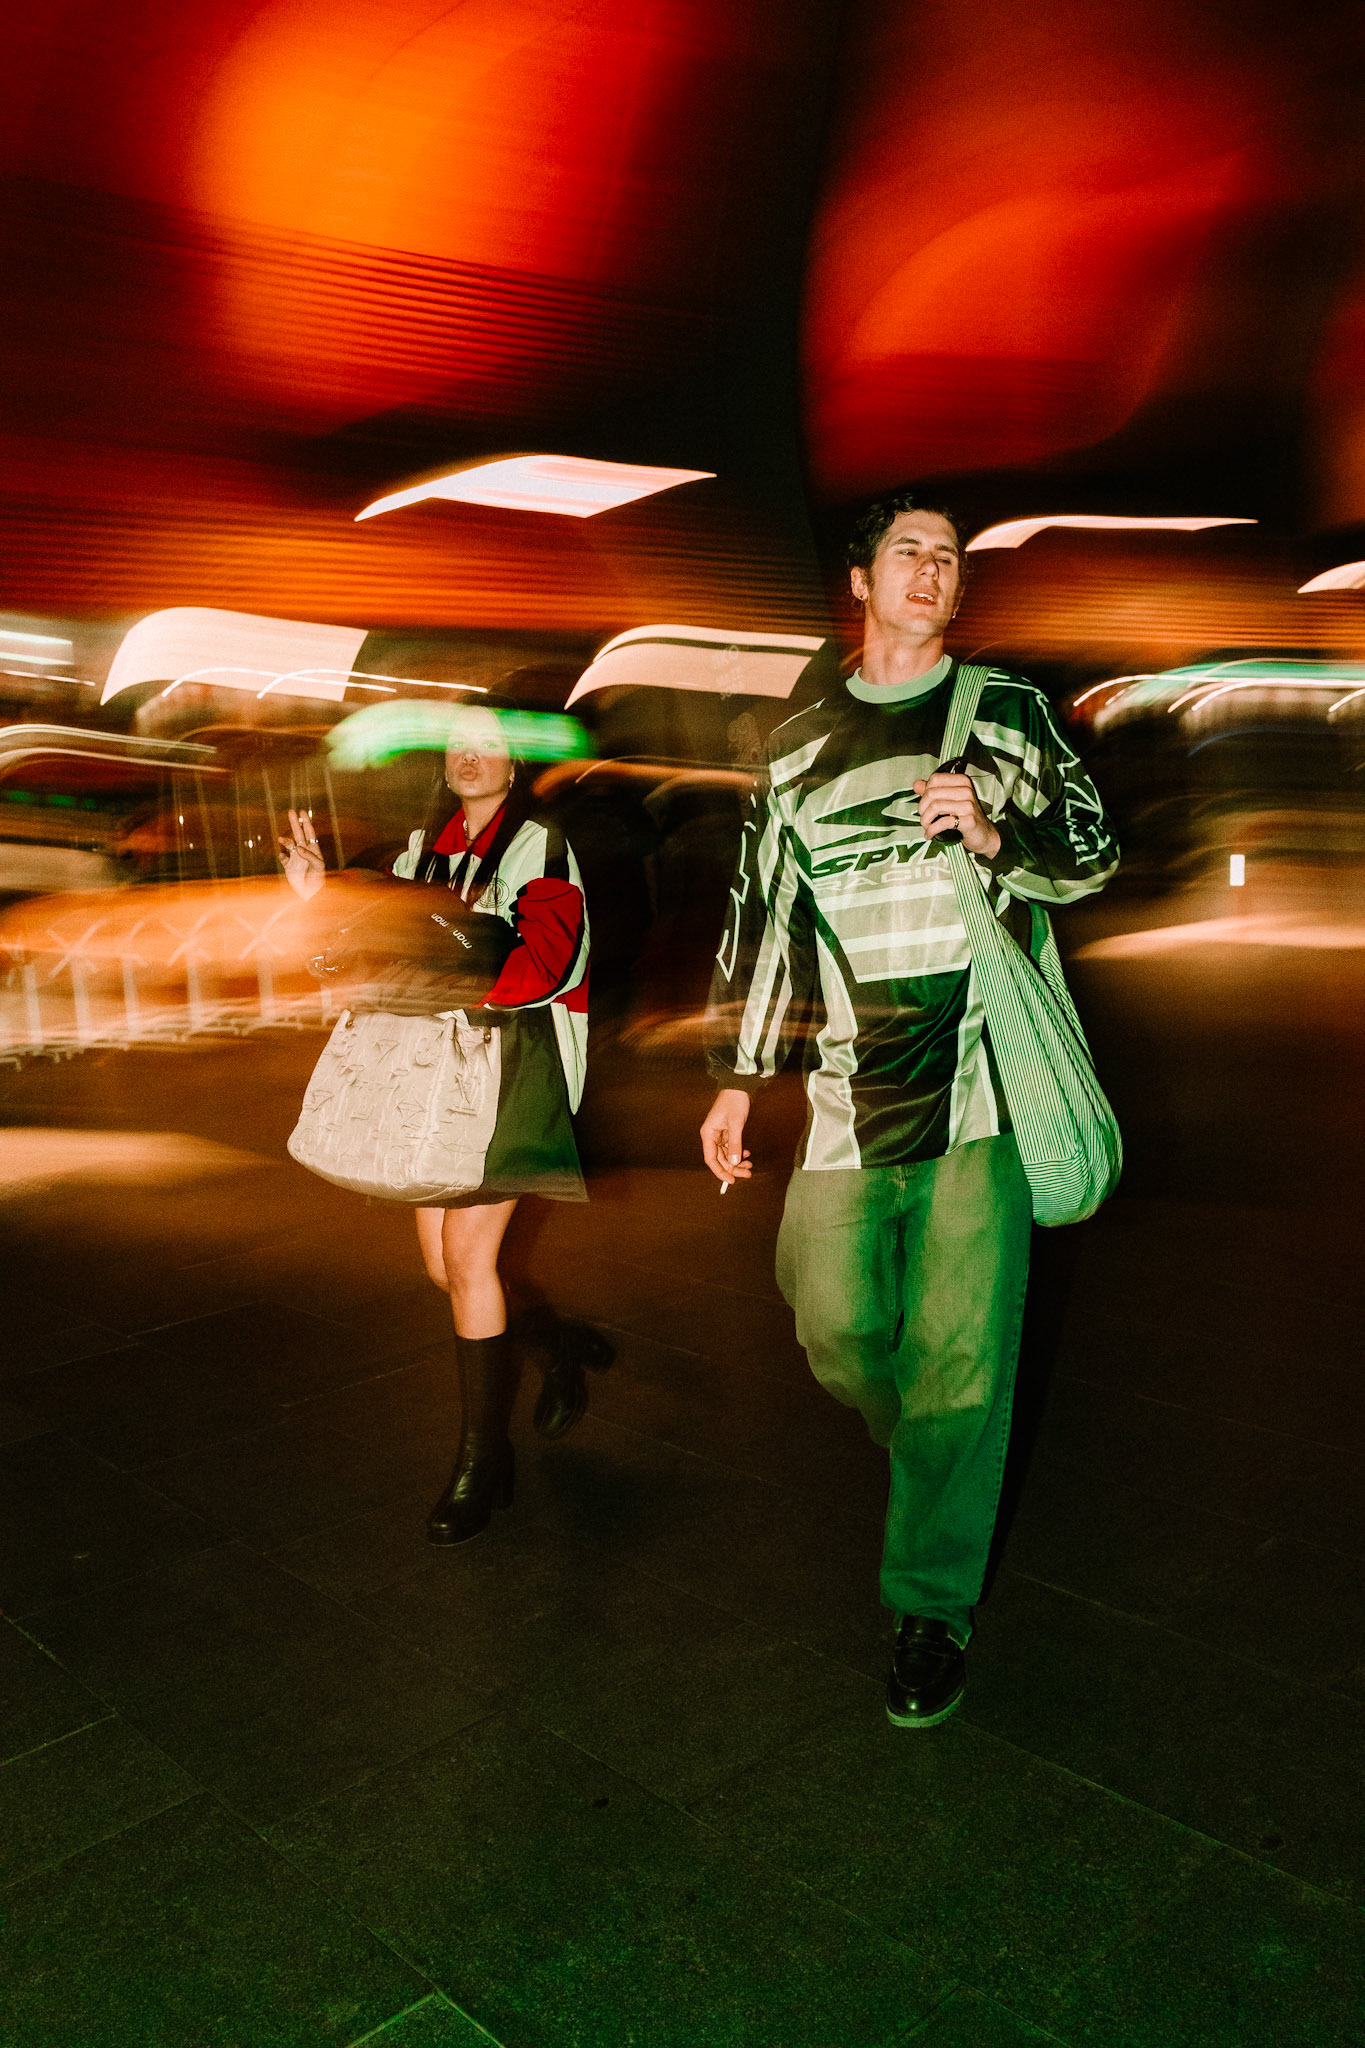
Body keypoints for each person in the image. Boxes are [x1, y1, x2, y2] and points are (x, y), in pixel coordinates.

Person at [700, 489, 1118, 1727]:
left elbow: (1093, 850)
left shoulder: (1007, 712)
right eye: (908, 551)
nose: (932, 570)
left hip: (980, 1088)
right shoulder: (792, 745)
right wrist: (736, 1078)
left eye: (948, 556)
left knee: (962, 1363)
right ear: (861, 580)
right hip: (845, 1090)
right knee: (833, 1324)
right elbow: (763, 918)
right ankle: (933, 1451)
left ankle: (929, 1606)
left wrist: (997, 834)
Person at [282, 703, 608, 1545]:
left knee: (467, 1261)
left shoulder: (538, 846)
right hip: (434, 1077)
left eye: (488, 745)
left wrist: (437, 967)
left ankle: (481, 1464)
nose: (470, 756)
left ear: (514, 762)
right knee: (444, 1268)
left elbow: (545, 966)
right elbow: (362, 954)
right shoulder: (417, 853)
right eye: (458, 745)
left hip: (514, 1068)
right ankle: (556, 1347)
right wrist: (318, 899)